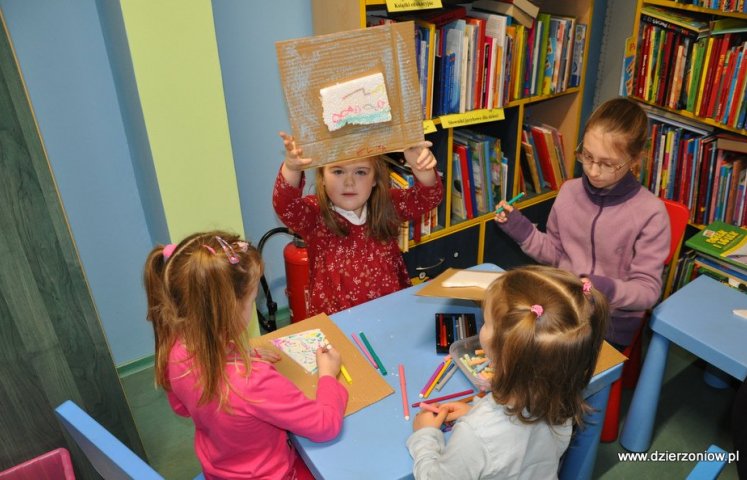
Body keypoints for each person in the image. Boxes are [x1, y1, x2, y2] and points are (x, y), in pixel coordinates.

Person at [143, 231, 348, 480]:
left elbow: (182, 408)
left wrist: (234, 353)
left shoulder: (174, 348)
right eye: (252, 300)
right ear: (228, 312)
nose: (254, 306)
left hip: (218, 471)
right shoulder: (252, 381)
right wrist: (327, 374)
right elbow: (325, 425)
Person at [494, 97, 670, 348]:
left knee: (542, 363)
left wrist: (605, 289)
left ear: (634, 160)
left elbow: (647, 292)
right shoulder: (569, 192)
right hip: (563, 308)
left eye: (608, 163)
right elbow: (554, 256)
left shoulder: (651, 213)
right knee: (508, 335)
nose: (593, 171)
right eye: (587, 156)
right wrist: (520, 228)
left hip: (610, 323)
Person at [407, 266, 609, 479]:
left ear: (507, 350)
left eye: (486, 323)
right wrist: (475, 409)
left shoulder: (474, 434)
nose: (480, 329)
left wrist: (425, 435)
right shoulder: (561, 401)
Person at [273, 132, 443, 317]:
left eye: (360, 172)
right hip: (336, 322)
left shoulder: (387, 204)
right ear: (322, 177)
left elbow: (429, 197)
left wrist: (422, 168)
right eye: (338, 171)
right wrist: (291, 168)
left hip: (390, 313)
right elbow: (285, 206)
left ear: (376, 179)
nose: (349, 182)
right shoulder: (315, 215)